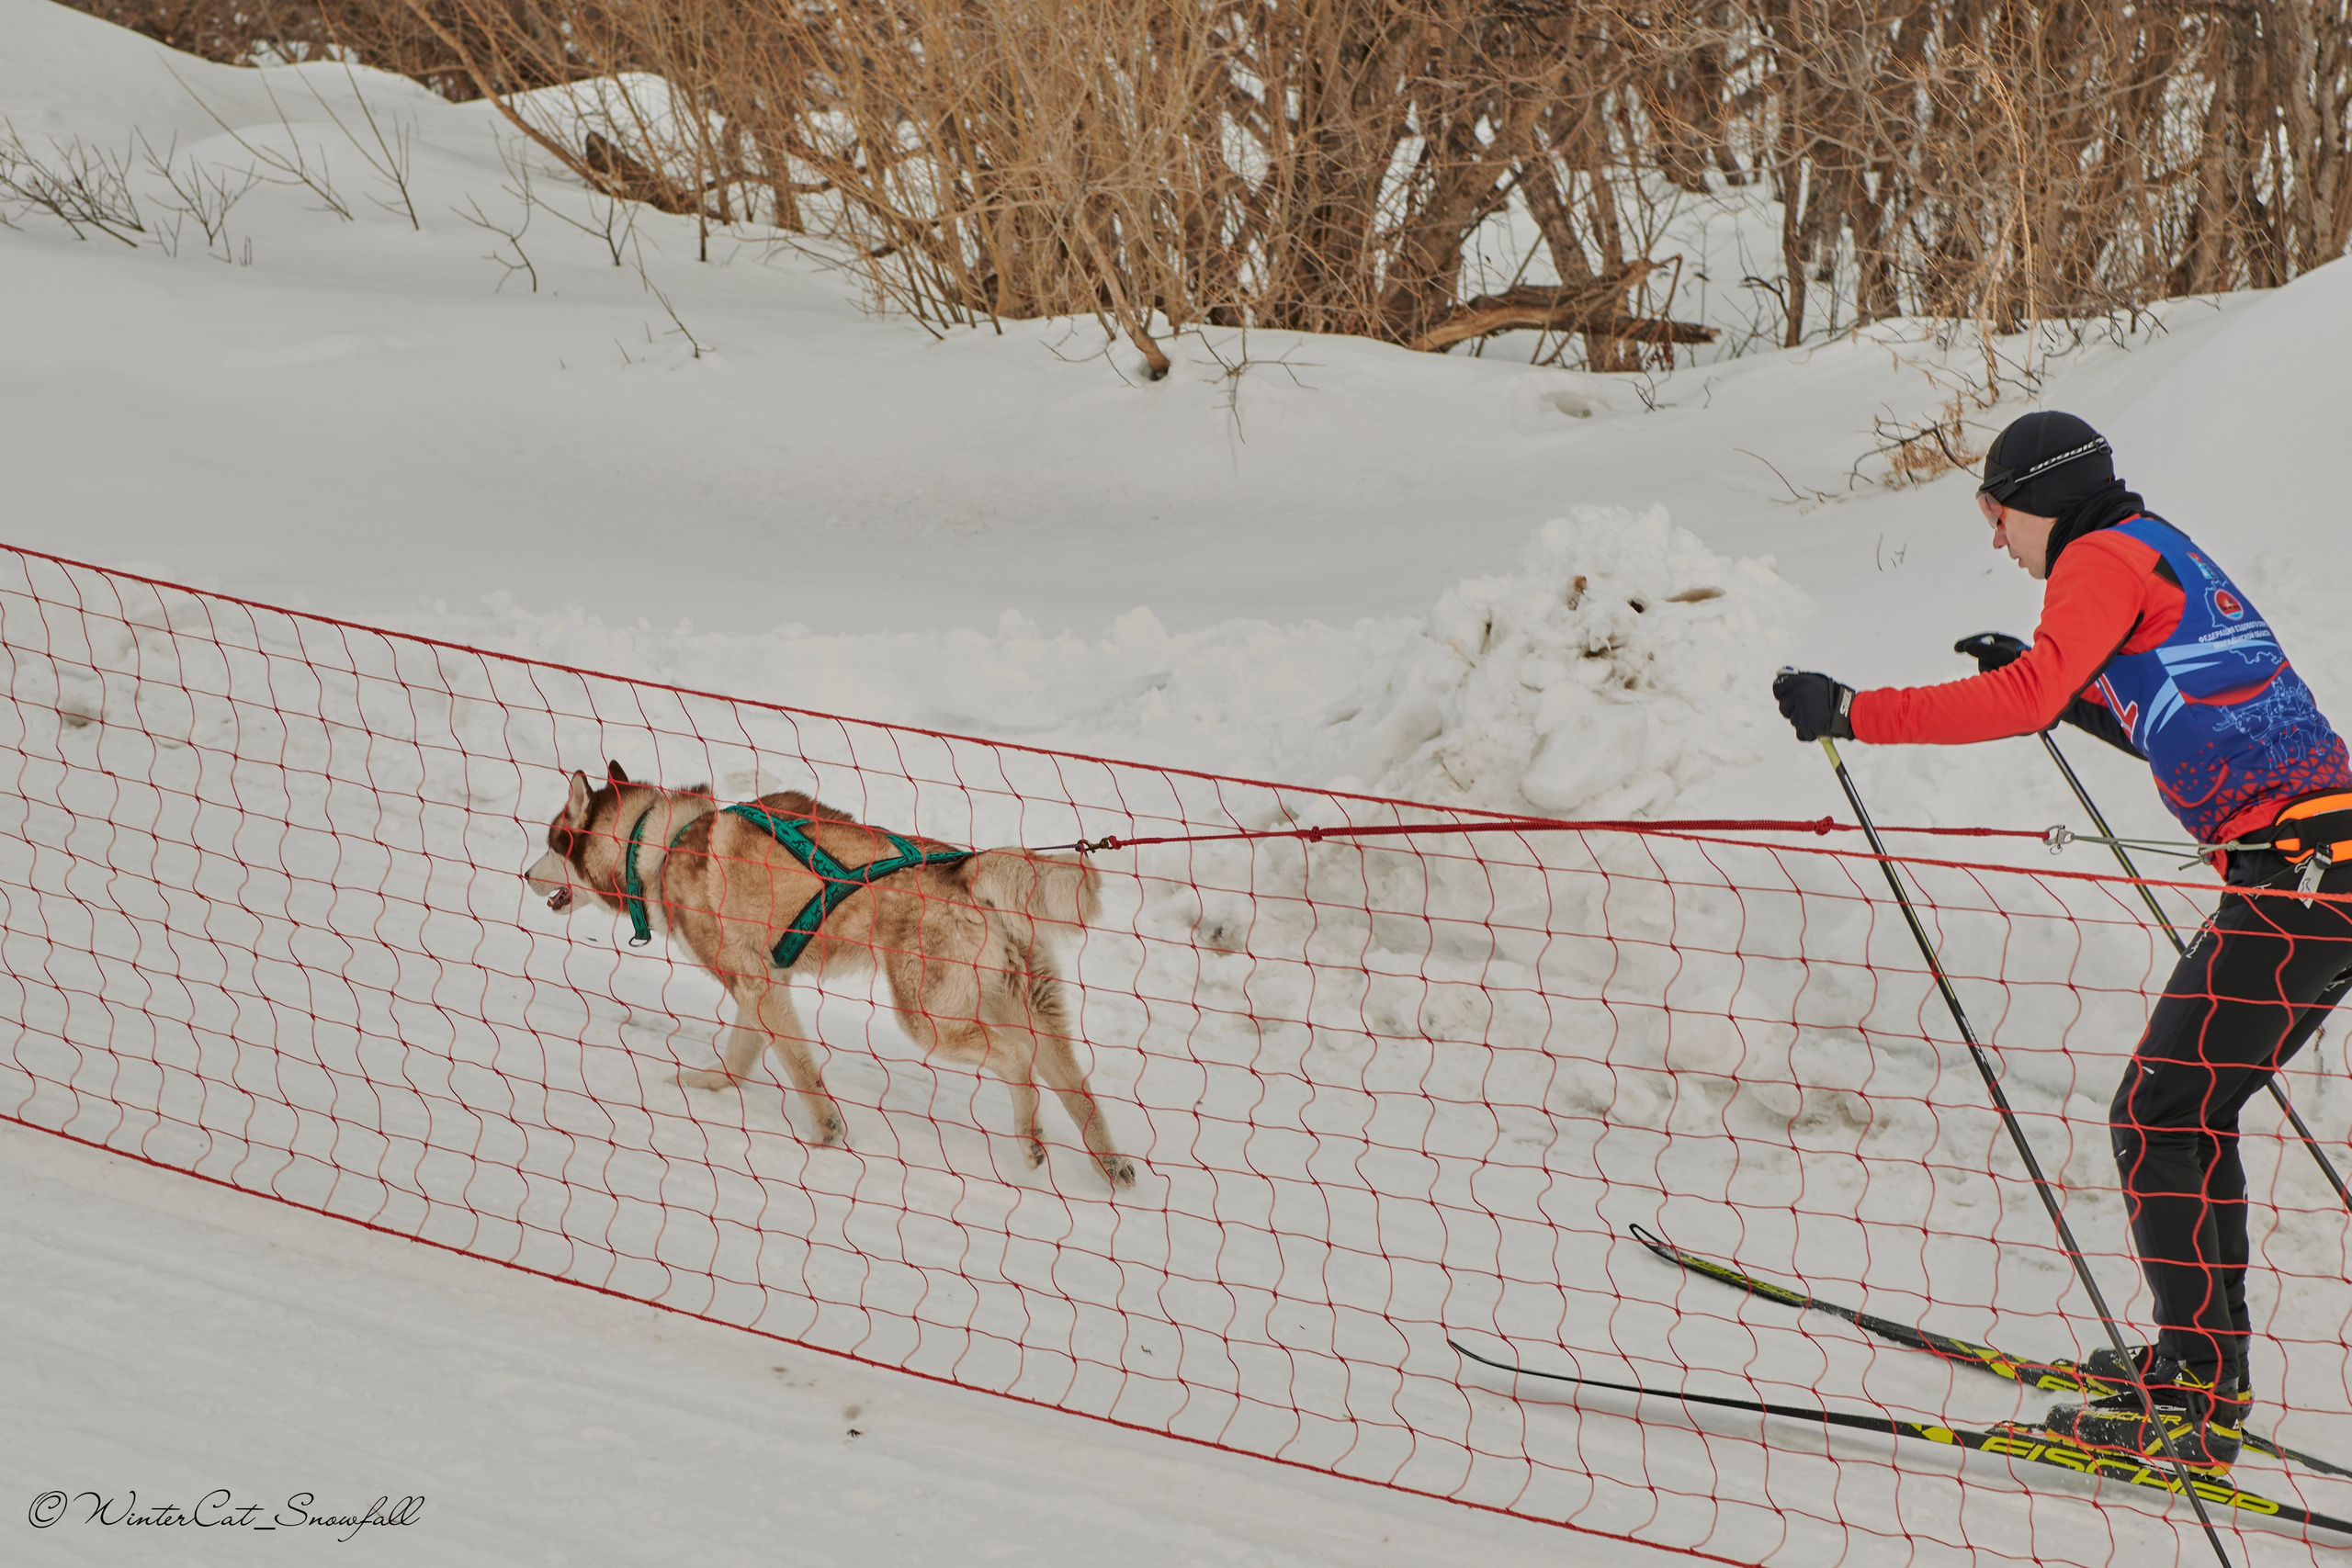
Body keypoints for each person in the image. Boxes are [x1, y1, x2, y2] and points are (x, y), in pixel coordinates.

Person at [1771, 410, 2352, 1469]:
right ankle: (2198, 1371)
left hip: (2303, 879)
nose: (1997, 540)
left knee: (2156, 1110)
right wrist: (2077, 699)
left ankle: (2193, 1402)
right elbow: (2186, 715)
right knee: (2189, 1107)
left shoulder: (2090, 559)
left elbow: (2026, 693)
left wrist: (1853, 711)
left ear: (2037, 498)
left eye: (1995, 515)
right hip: (2322, 871)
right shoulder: (2153, 545)